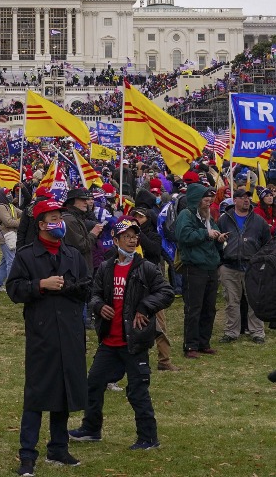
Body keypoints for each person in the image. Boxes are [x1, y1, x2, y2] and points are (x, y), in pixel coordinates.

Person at [69, 220, 174, 451]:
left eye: (134, 236)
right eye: (126, 236)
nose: (132, 240)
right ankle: (91, 429)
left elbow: (166, 293)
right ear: (115, 241)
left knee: (137, 391)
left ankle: (148, 438)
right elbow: (94, 294)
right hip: (109, 341)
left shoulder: (146, 268)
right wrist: (99, 306)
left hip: (134, 342)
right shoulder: (106, 268)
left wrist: (145, 306)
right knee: (93, 384)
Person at [7, 198, 91, 476]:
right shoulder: (27, 256)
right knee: (37, 394)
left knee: (65, 392)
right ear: (41, 225)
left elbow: (87, 288)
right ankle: (27, 454)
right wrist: (40, 285)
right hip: (42, 334)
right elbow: (14, 290)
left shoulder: (72, 255)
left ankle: (58, 447)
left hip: (70, 332)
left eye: (60, 218)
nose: (59, 223)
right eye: (54, 219)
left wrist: (69, 287)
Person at [175, 184, 228, 358]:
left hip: (210, 267)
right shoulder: (186, 215)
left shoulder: (208, 217)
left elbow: (213, 232)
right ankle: (190, 346)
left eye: (210, 200)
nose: (208, 203)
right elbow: (183, 236)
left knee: (209, 308)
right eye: (205, 200)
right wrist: (206, 234)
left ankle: (204, 342)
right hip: (194, 267)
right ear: (196, 200)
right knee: (194, 308)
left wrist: (219, 237)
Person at [218, 187, 270, 344]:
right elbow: (216, 242)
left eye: (248, 197)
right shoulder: (224, 220)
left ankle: (257, 332)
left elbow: (267, 244)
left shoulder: (258, 221)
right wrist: (220, 263)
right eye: (242, 197)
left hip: (252, 267)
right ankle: (231, 332)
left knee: (254, 301)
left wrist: (262, 262)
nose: (246, 200)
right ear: (235, 200)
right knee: (231, 302)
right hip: (229, 266)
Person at [131, 206, 179, 371]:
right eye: (135, 216)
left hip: (152, 285)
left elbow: (154, 250)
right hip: (134, 284)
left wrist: (139, 234)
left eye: (140, 217)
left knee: (160, 325)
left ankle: (164, 360)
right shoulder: (127, 237)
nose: (137, 220)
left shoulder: (154, 236)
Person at [62, 187, 103, 274]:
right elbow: (82, 246)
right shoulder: (69, 220)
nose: (86, 202)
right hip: (78, 271)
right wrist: (93, 233)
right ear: (72, 201)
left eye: (86, 199)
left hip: (82, 269)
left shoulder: (76, 217)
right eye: (82, 199)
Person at [0, 188, 20, 292]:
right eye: (7, 193)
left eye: (10, 193)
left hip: (11, 237)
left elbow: (22, 213)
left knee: (5, 262)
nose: (10, 195)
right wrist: (21, 222)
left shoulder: (10, 206)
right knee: (11, 261)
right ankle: (12, 286)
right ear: (2, 195)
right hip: (6, 237)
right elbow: (8, 222)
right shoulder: (1, 207)